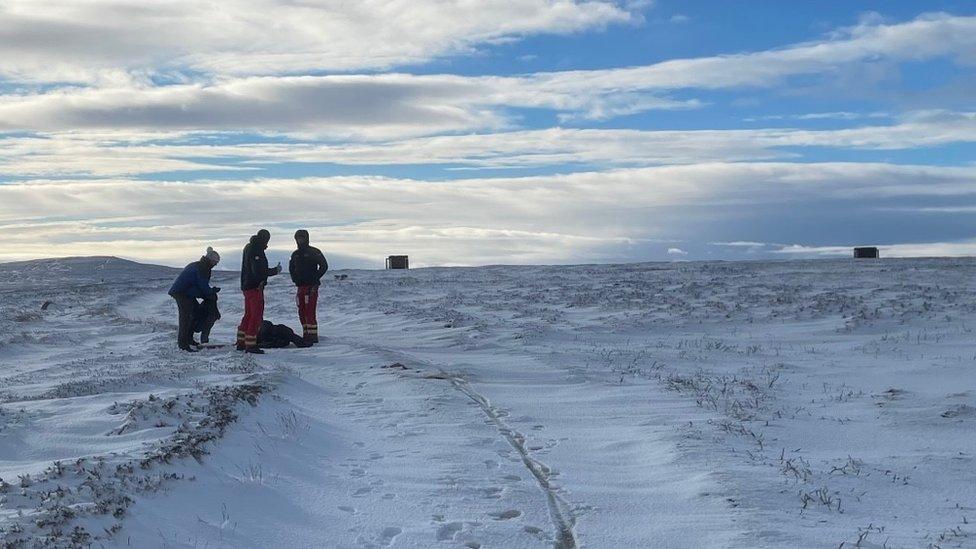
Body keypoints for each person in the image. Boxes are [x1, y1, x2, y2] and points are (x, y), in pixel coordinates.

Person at [168, 247, 221, 352]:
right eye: (215, 262)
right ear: (211, 260)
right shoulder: (202, 268)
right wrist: (210, 292)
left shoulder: (199, 265)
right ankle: (183, 345)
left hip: (186, 293)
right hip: (182, 293)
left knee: (195, 314)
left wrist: (209, 292)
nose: (216, 265)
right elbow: (202, 285)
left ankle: (189, 339)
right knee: (185, 318)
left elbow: (197, 285)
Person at [237, 229, 281, 354]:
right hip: (255, 287)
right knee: (255, 316)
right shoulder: (256, 249)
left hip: (247, 286)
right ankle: (250, 344)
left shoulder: (249, 247)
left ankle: (241, 342)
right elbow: (258, 270)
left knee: (248, 314)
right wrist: (274, 271)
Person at [289, 229, 329, 344]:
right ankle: (306, 334)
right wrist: (295, 279)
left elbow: (324, 266)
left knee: (310, 311)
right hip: (300, 287)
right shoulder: (295, 254)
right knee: (301, 311)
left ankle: (312, 336)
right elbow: (291, 268)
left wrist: (315, 278)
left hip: (311, 287)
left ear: (306, 238)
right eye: (298, 238)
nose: (300, 240)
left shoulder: (314, 252)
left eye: (302, 238)